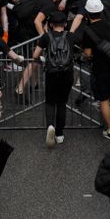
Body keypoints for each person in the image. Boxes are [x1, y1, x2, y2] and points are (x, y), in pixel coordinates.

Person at [82, 0, 110, 139]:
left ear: (87, 13)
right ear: (101, 11)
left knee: (104, 99)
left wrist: (87, 56)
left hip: (100, 69)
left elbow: (88, 53)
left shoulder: (88, 31)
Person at [31, 11, 75, 147]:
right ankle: (60, 134)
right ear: (65, 24)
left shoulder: (46, 37)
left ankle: (50, 126)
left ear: (50, 25)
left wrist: (43, 59)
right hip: (67, 74)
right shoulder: (71, 37)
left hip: (51, 73)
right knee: (62, 103)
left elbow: (35, 55)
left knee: (50, 102)